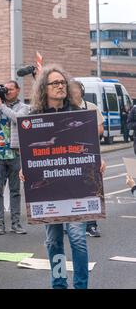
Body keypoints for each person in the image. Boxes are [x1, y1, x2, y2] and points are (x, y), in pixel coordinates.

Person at [21, 64, 105, 289]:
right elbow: (30, 150)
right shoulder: (34, 116)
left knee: (77, 239)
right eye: (55, 83)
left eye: (62, 83)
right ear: (44, 89)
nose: (60, 86)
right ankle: (58, 283)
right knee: (53, 241)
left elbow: (88, 146)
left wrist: (98, 160)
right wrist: (25, 168)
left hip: (75, 188)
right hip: (48, 191)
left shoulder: (78, 114)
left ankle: (80, 285)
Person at [0, 80, 29, 235]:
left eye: (10, 89)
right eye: (5, 89)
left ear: (18, 90)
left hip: (15, 154)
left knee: (15, 191)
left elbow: (18, 119)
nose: (7, 91)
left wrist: (1, 105)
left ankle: (16, 224)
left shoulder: (23, 107)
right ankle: (0, 224)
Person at [70, 80, 104, 238]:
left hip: (88, 154)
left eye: (75, 90)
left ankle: (91, 225)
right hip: (69, 155)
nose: (72, 92)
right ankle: (70, 221)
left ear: (81, 91)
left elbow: (100, 129)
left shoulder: (91, 107)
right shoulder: (66, 109)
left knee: (90, 188)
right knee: (70, 188)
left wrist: (83, 131)